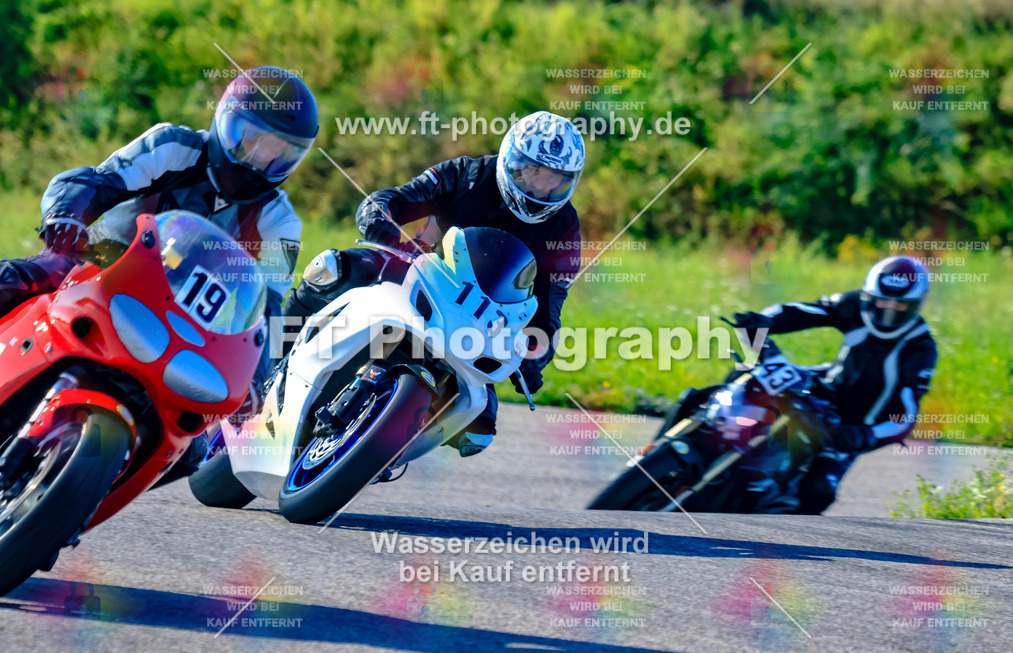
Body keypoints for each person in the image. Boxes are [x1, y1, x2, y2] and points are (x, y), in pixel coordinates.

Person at [0, 65, 318, 479]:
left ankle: (75, 500)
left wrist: (256, 381)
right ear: (225, 122)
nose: (260, 158)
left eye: (280, 151)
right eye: (252, 140)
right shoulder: (174, 146)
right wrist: (67, 217)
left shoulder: (280, 221)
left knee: (192, 447)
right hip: (100, 270)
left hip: (189, 328)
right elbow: (97, 181)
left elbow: (269, 308)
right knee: (23, 278)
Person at [283, 111, 586, 457]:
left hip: (480, 321)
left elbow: (550, 303)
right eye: (532, 171)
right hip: (417, 274)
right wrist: (378, 217)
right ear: (510, 158)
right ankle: (271, 358)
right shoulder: (468, 175)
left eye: (555, 180)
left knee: (477, 430)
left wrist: (536, 355)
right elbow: (393, 198)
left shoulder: (565, 226)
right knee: (332, 268)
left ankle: (382, 452)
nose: (541, 188)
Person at [665, 255, 938, 514]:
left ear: (917, 305)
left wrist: (864, 436)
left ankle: (763, 532)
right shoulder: (854, 304)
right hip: (822, 388)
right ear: (869, 295)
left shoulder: (920, 348)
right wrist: (764, 322)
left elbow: (905, 417)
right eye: (881, 301)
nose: (887, 311)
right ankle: (666, 445)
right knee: (742, 376)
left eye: (899, 305)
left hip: (849, 428)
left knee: (817, 491)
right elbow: (801, 311)